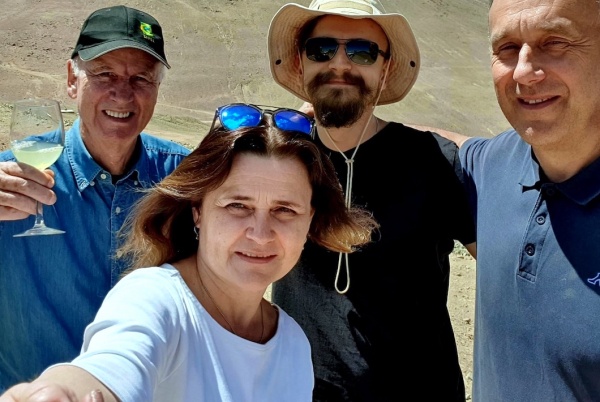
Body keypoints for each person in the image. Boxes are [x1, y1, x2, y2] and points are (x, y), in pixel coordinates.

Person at [1, 107, 376, 402]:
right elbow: (115, 362)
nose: (261, 234)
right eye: (237, 206)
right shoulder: (156, 299)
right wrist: (64, 391)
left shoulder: (292, 343)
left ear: (310, 222)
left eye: (285, 210)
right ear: (198, 211)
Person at [267, 0, 476, 402]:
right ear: (299, 61)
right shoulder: (278, 157)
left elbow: (510, 268)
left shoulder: (434, 161)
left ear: (385, 69)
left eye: (362, 52)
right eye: (321, 49)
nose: (339, 64)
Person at [428, 0, 600, 401]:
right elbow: (451, 144)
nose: (524, 71)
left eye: (555, 42)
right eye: (507, 49)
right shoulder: (494, 164)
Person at [0, 6, 190, 392]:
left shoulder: (184, 178)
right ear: (73, 79)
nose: (123, 92)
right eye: (104, 74)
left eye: (141, 77)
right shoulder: (11, 181)